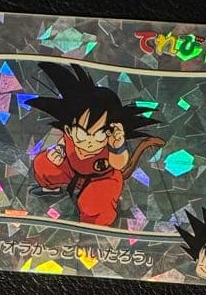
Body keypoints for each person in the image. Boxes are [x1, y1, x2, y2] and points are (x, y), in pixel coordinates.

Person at [28, 62, 161, 226]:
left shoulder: (111, 143)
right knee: (43, 162)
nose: (90, 141)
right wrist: (60, 150)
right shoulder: (69, 135)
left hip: (102, 179)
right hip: (72, 170)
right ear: (69, 130)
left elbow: (119, 164)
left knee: (94, 204)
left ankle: (95, 225)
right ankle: (51, 189)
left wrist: (117, 146)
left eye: (98, 134)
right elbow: (64, 142)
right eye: (84, 133)